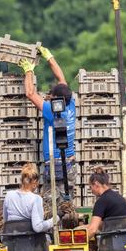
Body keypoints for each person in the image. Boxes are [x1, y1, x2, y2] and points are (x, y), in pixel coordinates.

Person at [19, 46, 77, 201]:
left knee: (50, 202)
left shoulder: (52, 112)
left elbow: (30, 93)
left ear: (57, 99)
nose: (49, 96)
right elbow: (62, 80)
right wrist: (49, 57)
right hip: (70, 162)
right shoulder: (71, 104)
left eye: (52, 95)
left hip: (55, 164)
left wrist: (28, 70)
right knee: (67, 200)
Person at [2, 163, 57, 233]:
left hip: (11, 241)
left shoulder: (9, 195)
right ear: (34, 184)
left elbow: (6, 222)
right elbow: (38, 227)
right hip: (30, 242)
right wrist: (54, 219)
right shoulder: (36, 199)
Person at [85, 167, 126, 238]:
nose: (91, 191)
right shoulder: (117, 197)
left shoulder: (101, 201)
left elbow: (92, 230)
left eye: (90, 187)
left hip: (114, 242)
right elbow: (110, 223)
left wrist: (78, 243)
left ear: (96, 184)